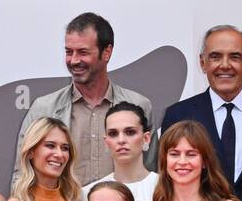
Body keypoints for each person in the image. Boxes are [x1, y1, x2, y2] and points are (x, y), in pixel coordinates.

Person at [13, 12, 155, 191]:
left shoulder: (139, 106)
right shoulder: (44, 108)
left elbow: (150, 171)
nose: (73, 60)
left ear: (107, 53)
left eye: (83, 52)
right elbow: (22, 174)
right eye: (68, 52)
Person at [160, 25, 242, 201]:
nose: (225, 65)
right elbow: (168, 179)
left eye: (234, 57)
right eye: (215, 57)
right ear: (202, 63)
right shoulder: (178, 115)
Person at [82, 101, 159, 201]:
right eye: (113, 134)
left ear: (146, 138)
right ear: (106, 142)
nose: (121, 140)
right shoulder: (87, 194)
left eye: (130, 132)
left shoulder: (165, 188)